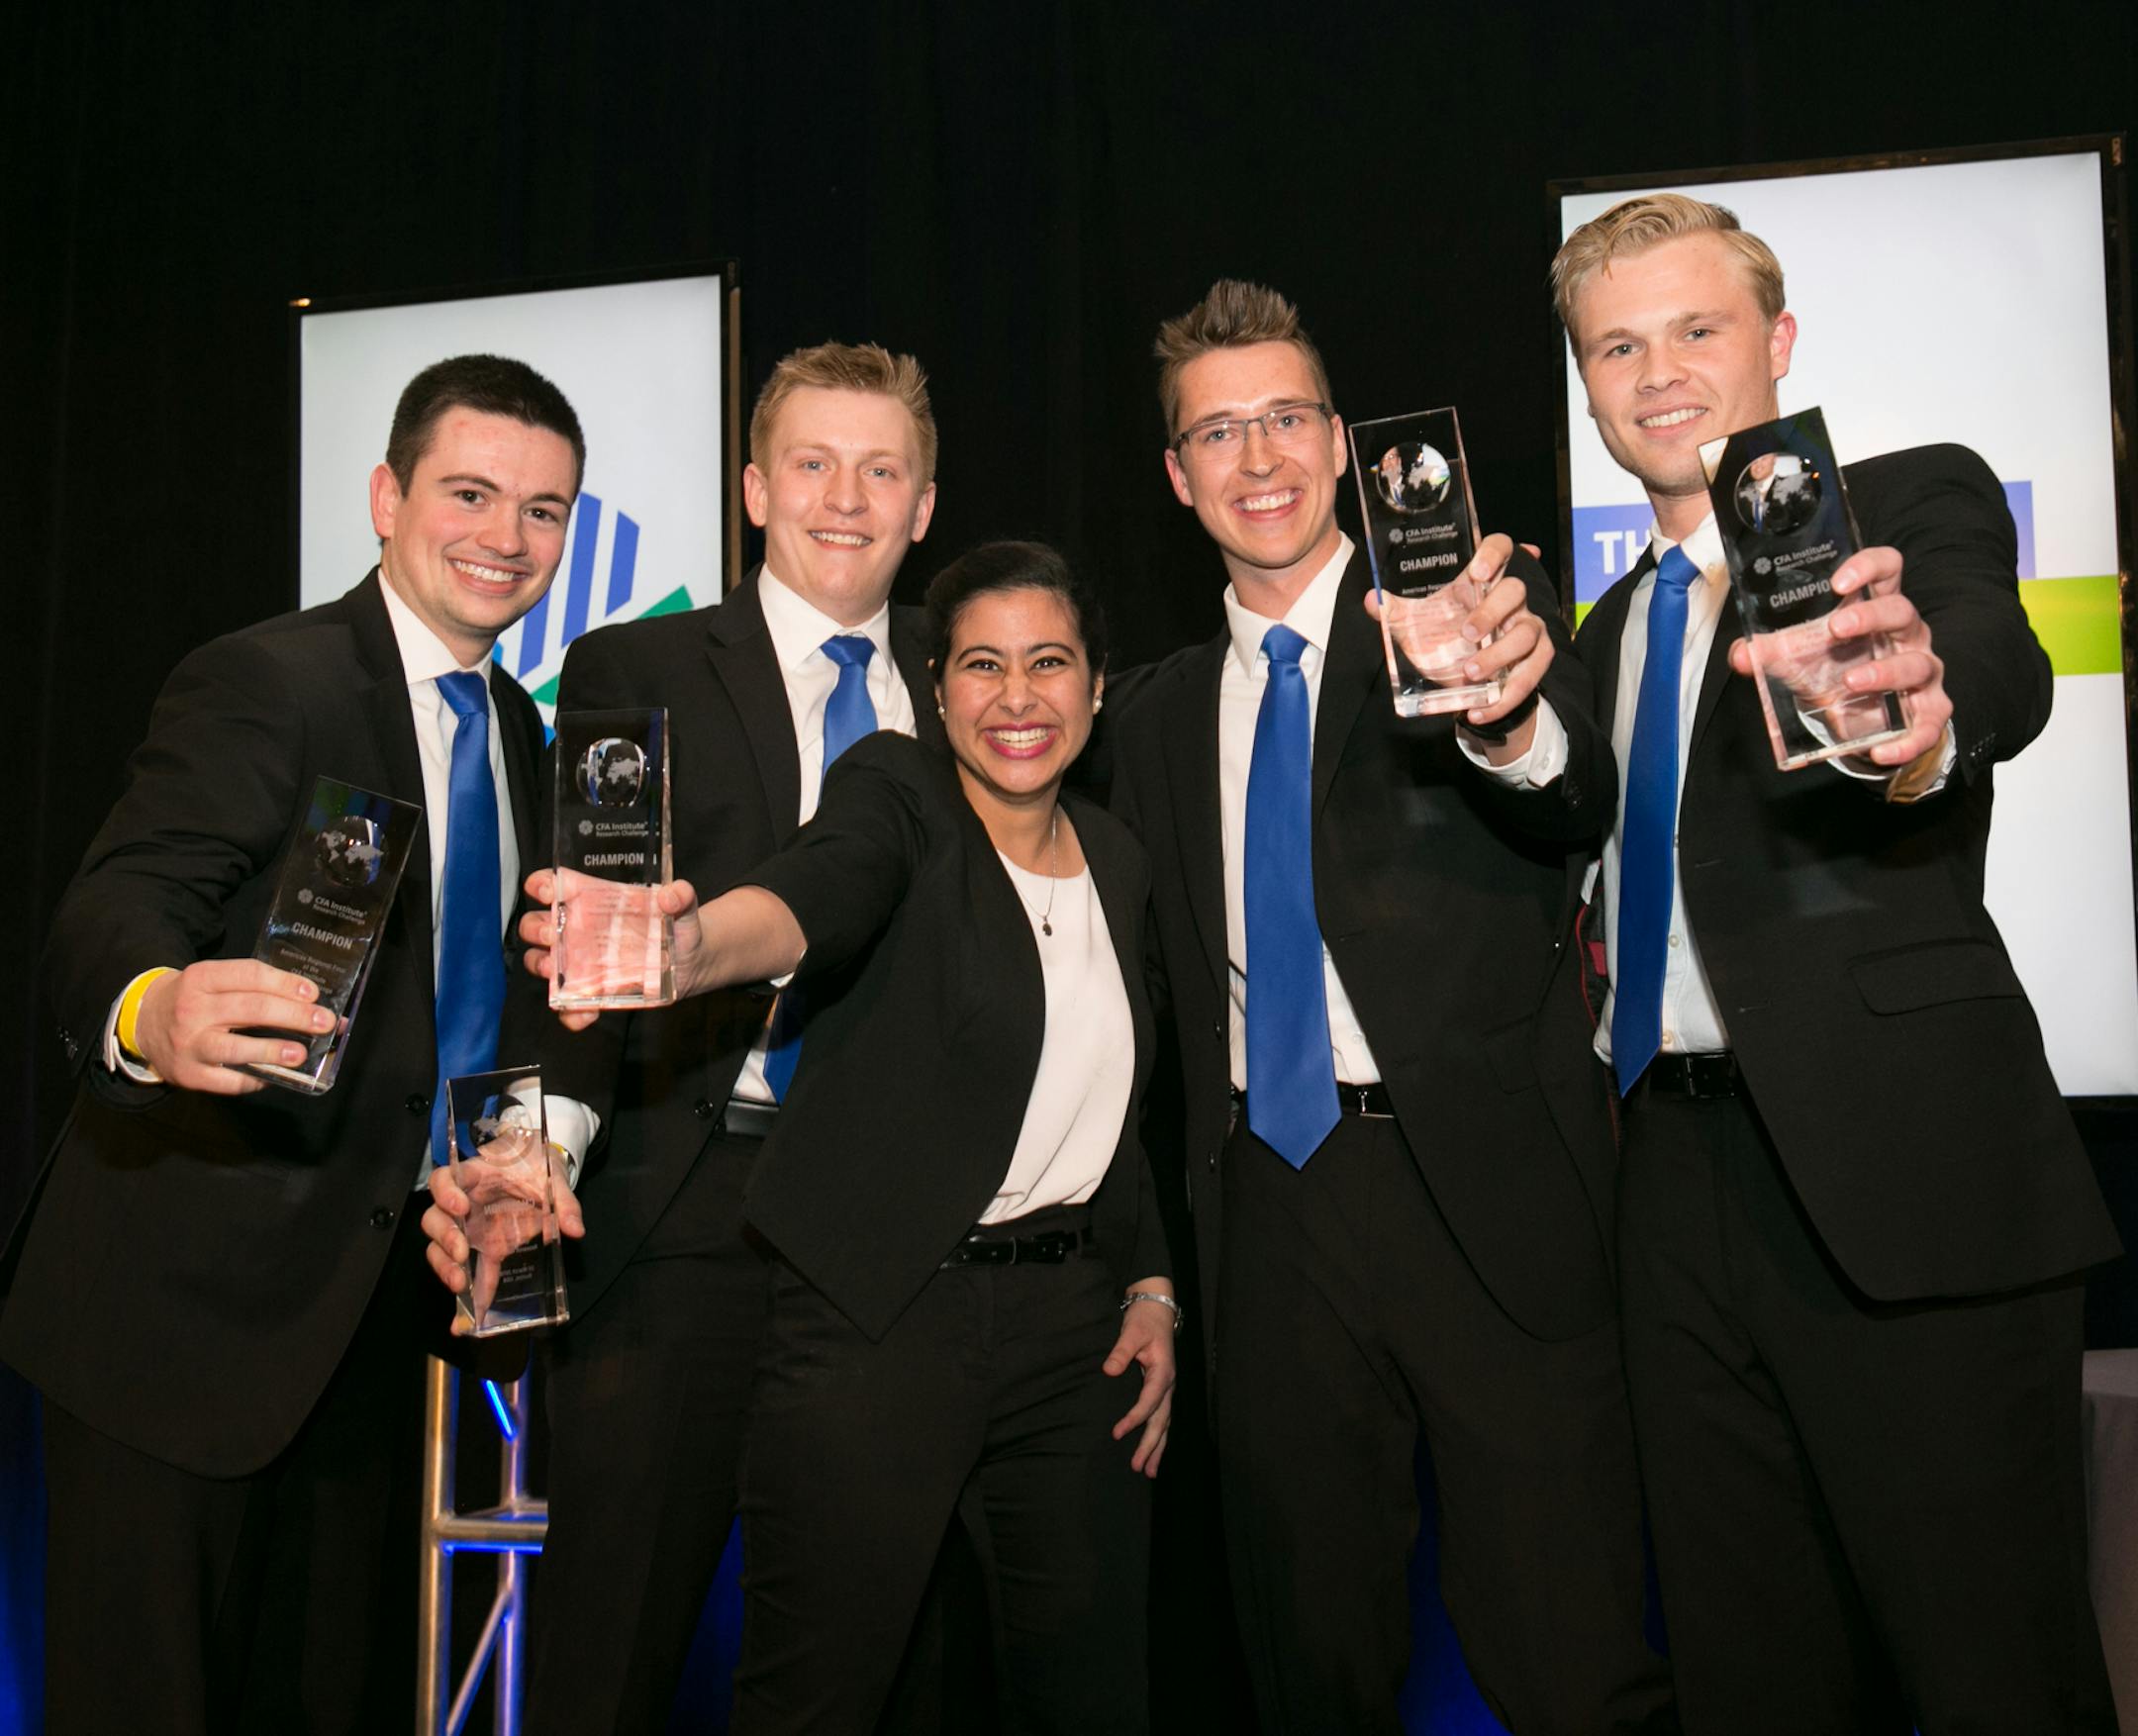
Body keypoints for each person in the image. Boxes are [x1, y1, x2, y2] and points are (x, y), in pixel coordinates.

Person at [434, 540, 1176, 1732]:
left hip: (1068, 1339)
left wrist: (1150, 1277)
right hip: (883, 1314)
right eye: (982, 665)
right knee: (816, 1698)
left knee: (1089, 1696)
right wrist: (682, 952)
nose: (1018, 696)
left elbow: (1117, 1095)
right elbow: (811, 894)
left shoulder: (1122, 860)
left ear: (1098, 684)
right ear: (937, 694)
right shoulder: (899, 792)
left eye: (1051, 662)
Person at [1552, 191, 2119, 1734]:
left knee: (1996, 1676)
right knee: (1752, 1679)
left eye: (1695, 327)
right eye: (1616, 344)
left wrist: (1915, 720)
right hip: (1665, 1191)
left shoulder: (1904, 502)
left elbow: (1977, 655)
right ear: (1588, 386)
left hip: (1904, 1175)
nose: (1657, 370)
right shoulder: (1598, 633)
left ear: (1779, 343)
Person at [1106, 279, 1673, 1735]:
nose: (1260, 457)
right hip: (1273, 1214)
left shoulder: (1471, 609)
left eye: (1287, 417)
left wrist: (1504, 713)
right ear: (1177, 476)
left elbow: (1576, 798)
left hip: (1491, 1195)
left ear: (1344, 438)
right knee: (1311, 1658)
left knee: (1574, 1651)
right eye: (1218, 431)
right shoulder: (1156, 714)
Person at [0, 353, 582, 1733]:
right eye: (471, 492)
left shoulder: (519, 729)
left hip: (377, 1331)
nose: (507, 537)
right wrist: (151, 1007)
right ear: (387, 496)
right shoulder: (271, 678)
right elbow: (116, 903)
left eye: (546, 509)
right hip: (178, 1322)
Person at [497, 341, 950, 1733]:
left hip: (903, 1235)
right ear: (754, 487)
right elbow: (586, 935)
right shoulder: (637, 664)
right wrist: (538, 1144)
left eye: (883, 470)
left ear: (927, 504)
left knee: (869, 1658)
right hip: (682, 1214)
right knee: (608, 1652)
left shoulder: (974, 673)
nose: (846, 498)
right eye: (811, 464)